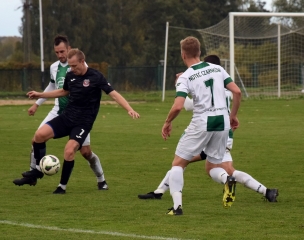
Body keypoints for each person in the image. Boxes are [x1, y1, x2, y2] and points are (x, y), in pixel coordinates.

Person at [138, 55, 278, 203]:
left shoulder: (205, 84)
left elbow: (187, 105)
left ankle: (161, 192)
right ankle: (267, 191)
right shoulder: (226, 89)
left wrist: (179, 84)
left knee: (182, 161)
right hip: (224, 131)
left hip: (207, 129)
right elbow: (235, 93)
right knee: (227, 169)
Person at [23, 48, 140, 194]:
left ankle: (63, 187)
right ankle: (38, 171)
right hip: (67, 117)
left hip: (83, 123)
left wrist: (129, 109)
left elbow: (114, 94)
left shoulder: (96, 76)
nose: (71, 69)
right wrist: (40, 94)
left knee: (73, 151)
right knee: (39, 136)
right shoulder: (70, 75)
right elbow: (63, 91)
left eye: (74, 66)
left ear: (82, 61)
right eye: (70, 66)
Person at [13, 35, 109, 190]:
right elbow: (53, 87)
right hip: (58, 111)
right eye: (57, 52)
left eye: (62, 51)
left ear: (69, 49)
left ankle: (101, 179)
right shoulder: (54, 67)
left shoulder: (81, 67)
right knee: (37, 137)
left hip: (79, 115)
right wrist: (37, 104)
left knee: (85, 152)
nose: (60, 55)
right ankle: (34, 173)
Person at [161, 37, 242, 216]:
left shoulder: (186, 76)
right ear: (199, 52)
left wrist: (167, 122)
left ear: (183, 54)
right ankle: (227, 179)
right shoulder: (218, 68)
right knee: (213, 166)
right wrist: (233, 115)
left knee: (178, 164)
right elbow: (237, 91)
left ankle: (177, 207)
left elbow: (178, 105)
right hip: (222, 122)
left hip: (202, 121)